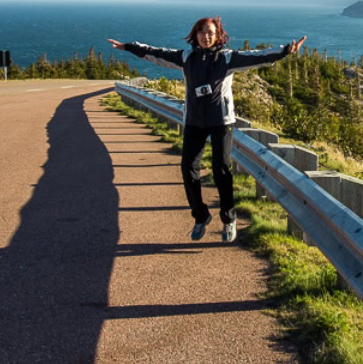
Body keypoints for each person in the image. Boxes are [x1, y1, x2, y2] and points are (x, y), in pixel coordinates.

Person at [108, 17, 306, 243]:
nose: (206, 36)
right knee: (187, 168)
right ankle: (200, 216)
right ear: (195, 35)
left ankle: (229, 219)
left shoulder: (227, 58)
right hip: (194, 121)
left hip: (221, 121)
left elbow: (258, 57)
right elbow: (157, 54)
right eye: (201, 32)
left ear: (218, 35)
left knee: (221, 169)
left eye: (210, 32)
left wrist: (285, 51)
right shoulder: (186, 57)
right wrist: (129, 47)